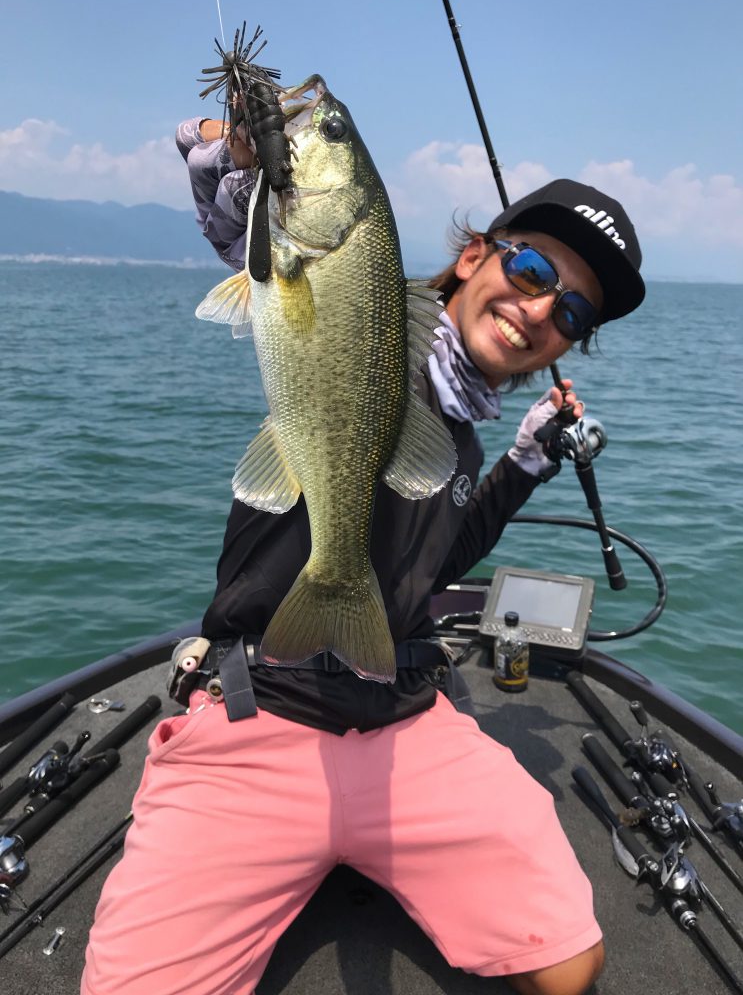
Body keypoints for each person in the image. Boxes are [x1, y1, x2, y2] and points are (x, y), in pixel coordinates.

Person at [80, 111, 645, 995]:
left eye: (570, 311)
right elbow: (276, 264)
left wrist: (523, 464)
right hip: (257, 714)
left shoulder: (461, 433)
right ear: (473, 257)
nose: (538, 310)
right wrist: (243, 185)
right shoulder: (382, 335)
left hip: (402, 721)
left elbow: (436, 559)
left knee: (569, 963)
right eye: (531, 270)